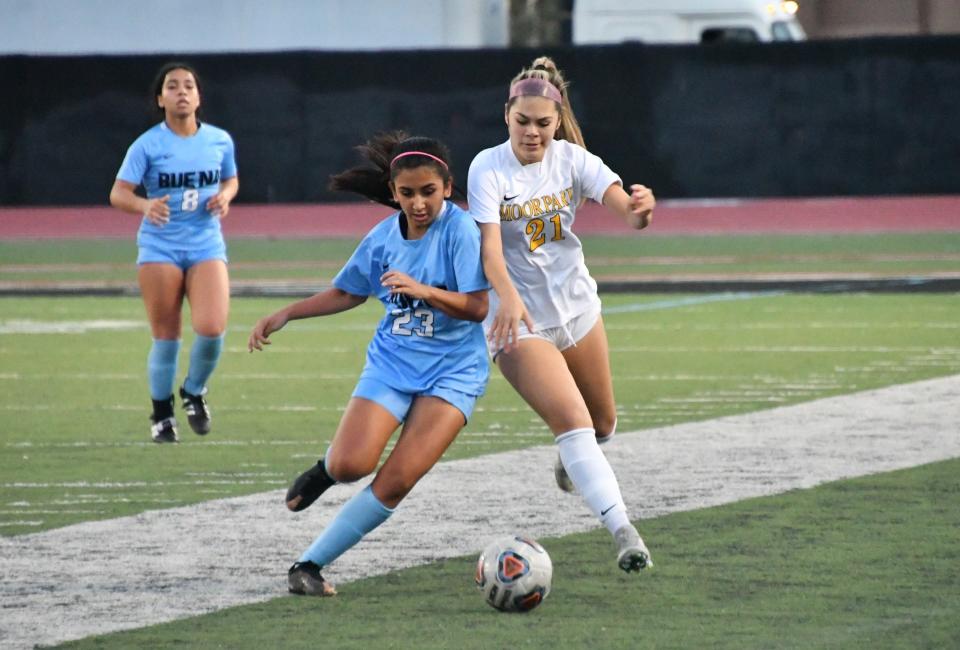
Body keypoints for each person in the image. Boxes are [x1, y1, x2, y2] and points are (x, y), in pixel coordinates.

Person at [248, 133, 490, 597]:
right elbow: (348, 291)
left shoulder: (460, 231)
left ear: (447, 187)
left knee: (396, 481)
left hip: (453, 373)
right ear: (393, 192)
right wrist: (285, 314)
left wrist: (426, 291)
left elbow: (477, 307)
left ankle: (309, 563)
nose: (418, 203)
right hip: (392, 366)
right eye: (407, 194)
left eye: (428, 192)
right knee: (351, 463)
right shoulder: (382, 238)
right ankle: (327, 468)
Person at [467, 56, 657, 573]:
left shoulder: (572, 160)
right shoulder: (487, 167)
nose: (532, 132)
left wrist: (640, 209)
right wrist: (506, 298)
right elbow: (489, 252)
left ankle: (579, 460)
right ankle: (624, 532)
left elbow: (625, 210)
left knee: (603, 423)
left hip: (578, 309)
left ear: (557, 119)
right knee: (573, 424)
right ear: (506, 115)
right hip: (519, 324)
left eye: (543, 123)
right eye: (522, 121)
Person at [109, 62, 238, 443]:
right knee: (167, 336)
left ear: (198, 97)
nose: (181, 91)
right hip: (160, 246)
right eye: (172, 86)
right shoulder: (147, 144)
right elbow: (118, 193)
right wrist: (145, 206)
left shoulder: (219, 140)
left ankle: (194, 391)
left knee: (212, 328)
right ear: (160, 98)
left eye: (188, 86)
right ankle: (162, 415)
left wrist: (226, 197)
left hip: (205, 243)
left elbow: (230, 178)